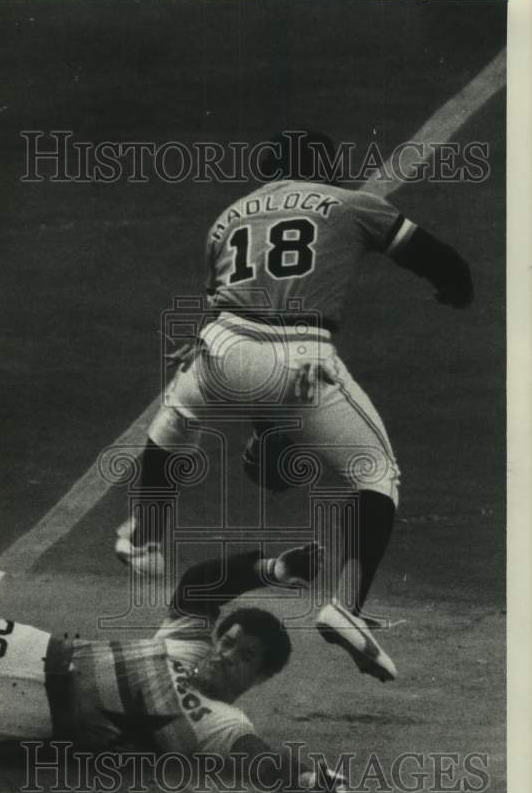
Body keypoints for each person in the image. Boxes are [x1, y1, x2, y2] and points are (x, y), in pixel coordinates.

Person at [115, 129, 473, 683]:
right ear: (325, 169)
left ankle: (142, 536)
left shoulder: (229, 216)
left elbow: (223, 301)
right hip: (299, 357)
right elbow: (437, 258)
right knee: (375, 473)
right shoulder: (351, 203)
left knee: (173, 424)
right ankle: (345, 607)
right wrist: (457, 287)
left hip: (222, 344)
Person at [0, 542, 347, 793]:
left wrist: (311, 778)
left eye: (246, 656)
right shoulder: (185, 641)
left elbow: (259, 760)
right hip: (21, 645)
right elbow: (202, 582)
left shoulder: (220, 722)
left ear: (261, 676)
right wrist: (273, 570)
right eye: (228, 641)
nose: (228, 654)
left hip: (22, 713)